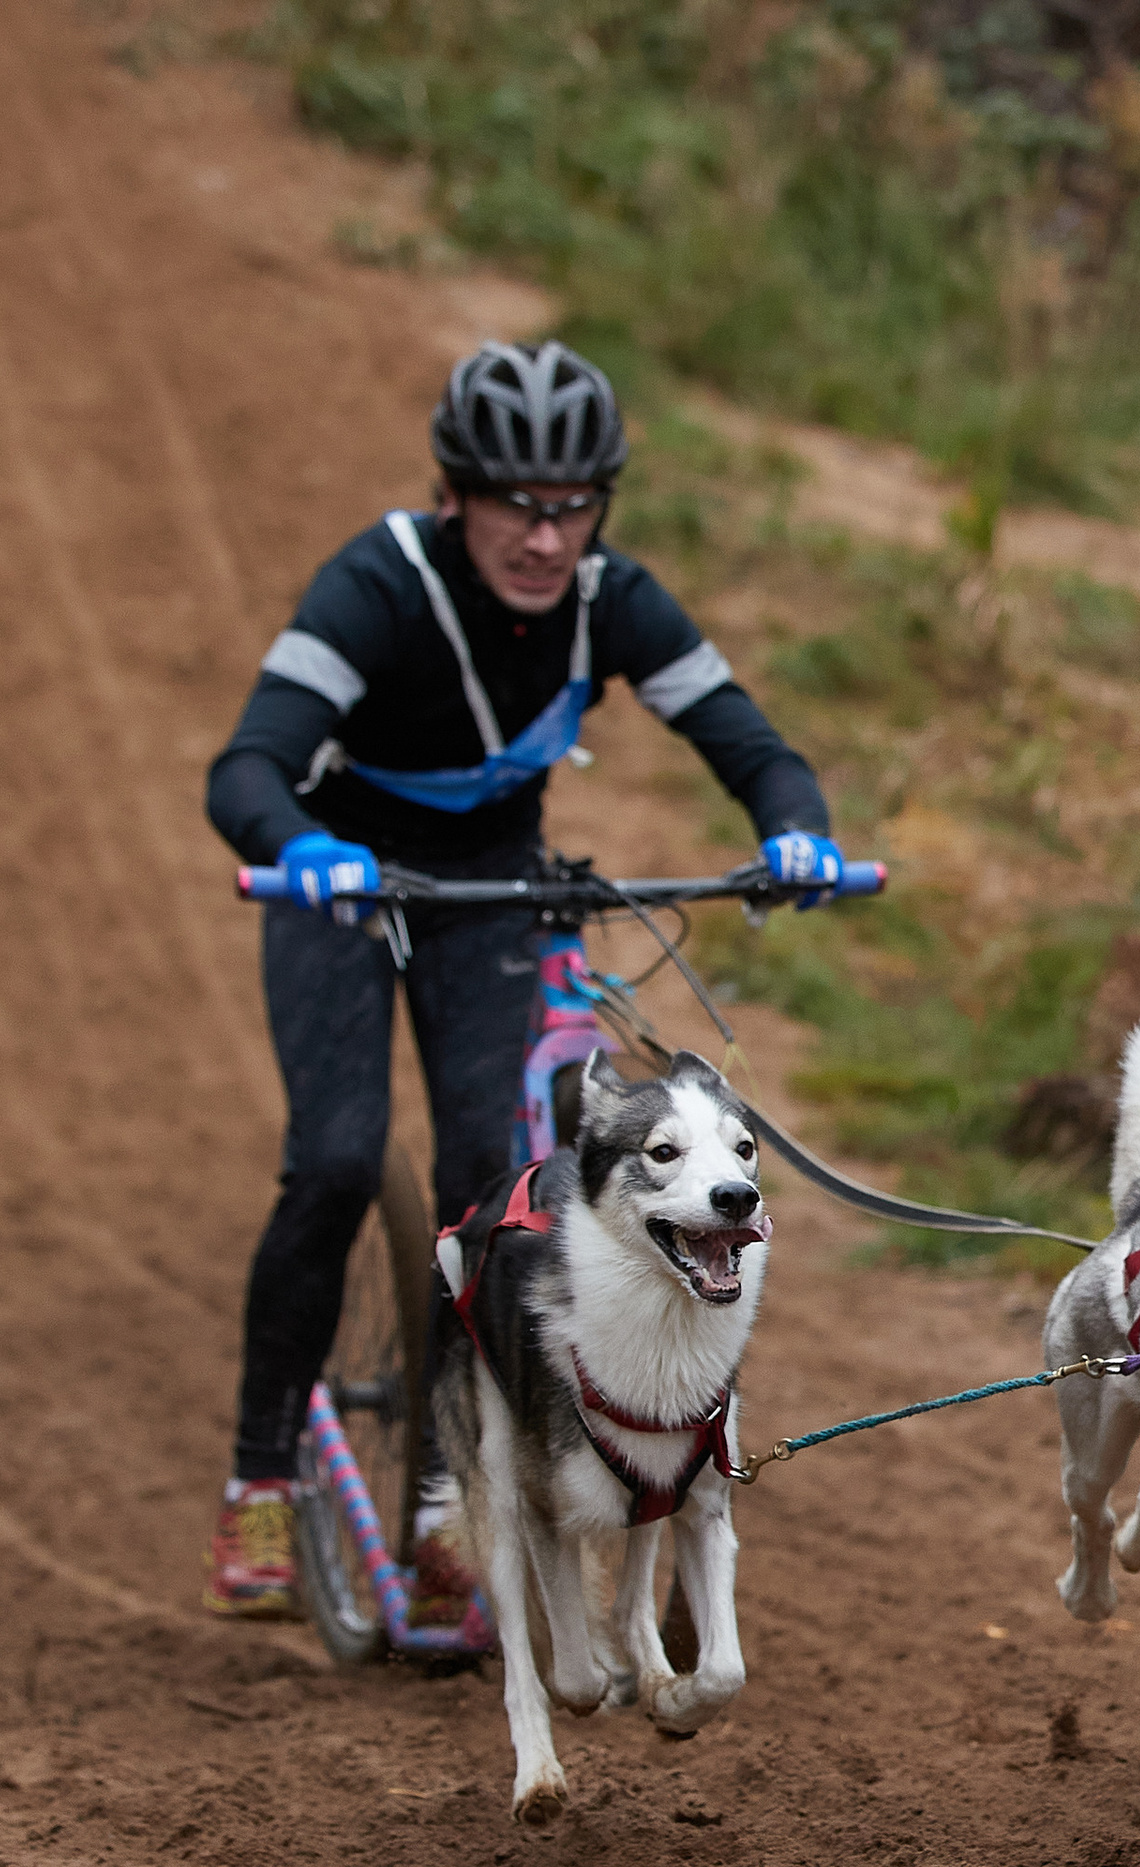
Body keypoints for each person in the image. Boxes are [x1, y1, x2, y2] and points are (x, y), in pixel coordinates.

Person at [203, 339, 859, 1617]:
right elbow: (247, 766)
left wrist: (797, 830)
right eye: (515, 505)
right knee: (335, 1160)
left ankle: (444, 1500)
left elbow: (752, 746)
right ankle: (260, 1472)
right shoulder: (376, 588)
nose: (546, 539)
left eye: (572, 507)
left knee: (481, 1185)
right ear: (455, 496)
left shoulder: (613, 599)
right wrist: (302, 846)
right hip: (340, 881)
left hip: (489, 888)